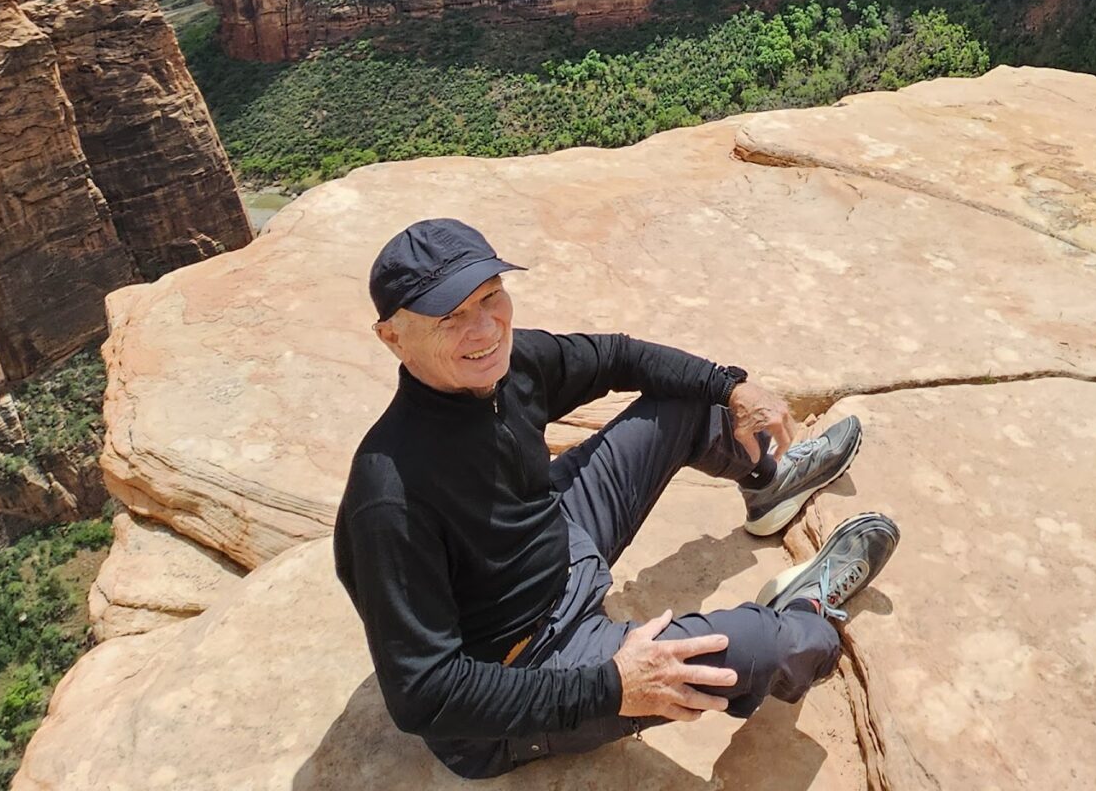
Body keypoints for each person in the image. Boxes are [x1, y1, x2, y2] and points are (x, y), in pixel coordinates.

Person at [333, 218, 899, 779]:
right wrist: (612, 687)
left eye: (490, 297)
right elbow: (425, 695)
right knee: (758, 646)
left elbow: (617, 356)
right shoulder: (391, 497)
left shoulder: (508, 367)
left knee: (685, 399)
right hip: (528, 661)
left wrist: (731, 386)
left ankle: (767, 483)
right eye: (449, 316)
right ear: (392, 337)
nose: (483, 329)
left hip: (556, 541)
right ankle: (807, 610)